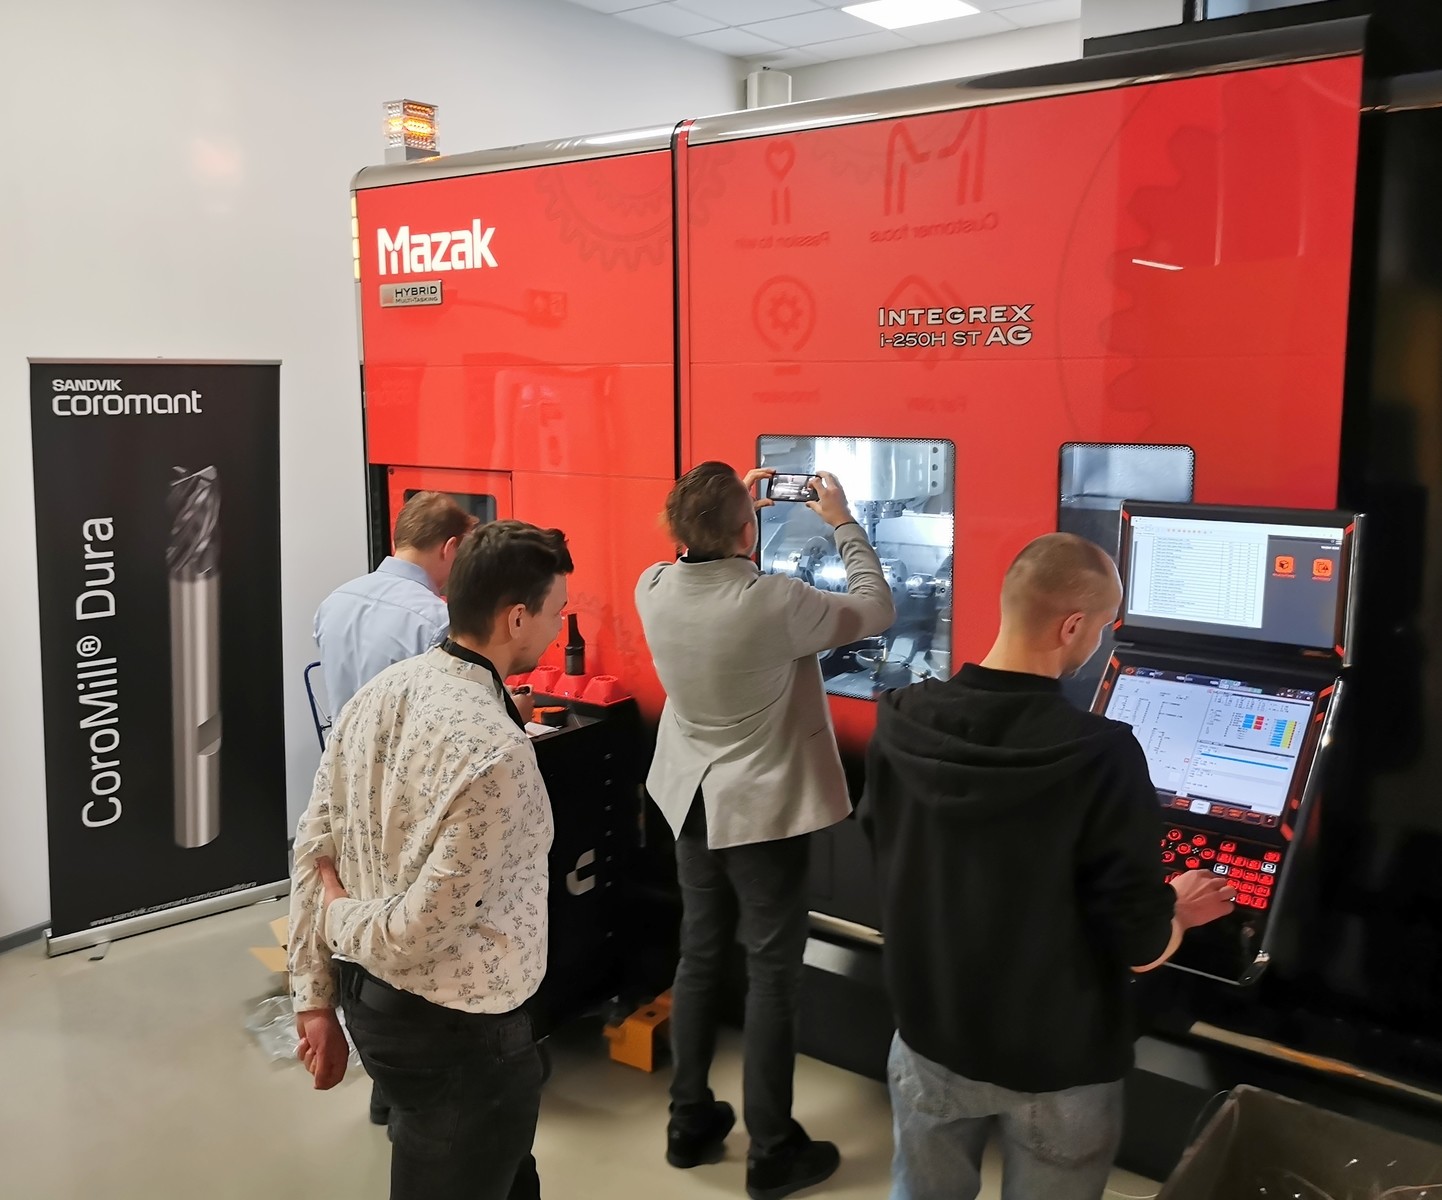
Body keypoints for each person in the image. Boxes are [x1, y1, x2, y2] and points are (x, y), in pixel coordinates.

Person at [861, 532, 1236, 1200]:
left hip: (929, 1032)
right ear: (1072, 626)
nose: (1100, 640)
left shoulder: (902, 717)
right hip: (1059, 1062)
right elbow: (1139, 942)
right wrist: (1178, 907)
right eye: (1103, 626)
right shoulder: (1104, 755)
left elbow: (894, 853)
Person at [287, 520, 574, 1200]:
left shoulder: (378, 694)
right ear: (516, 618)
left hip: (375, 1008)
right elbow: (416, 930)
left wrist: (314, 998)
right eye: (556, 612)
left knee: (505, 1174)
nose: (559, 628)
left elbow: (313, 845)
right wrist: (337, 919)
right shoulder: (498, 756)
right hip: (460, 1038)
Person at [636, 462, 896, 1200]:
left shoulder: (652, 586)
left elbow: (697, 549)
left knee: (698, 957)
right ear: (748, 530)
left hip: (690, 804)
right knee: (772, 975)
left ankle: (689, 1122)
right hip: (762, 816)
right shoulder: (774, 601)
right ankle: (773, 1149)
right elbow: (877, 608)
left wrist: (729, 509)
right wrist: (841, 521)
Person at [313, 490, 476, 716]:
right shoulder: (438, 621)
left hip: (343, 738)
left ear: (395, 540)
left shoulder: (333, 603)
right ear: (448, 548)